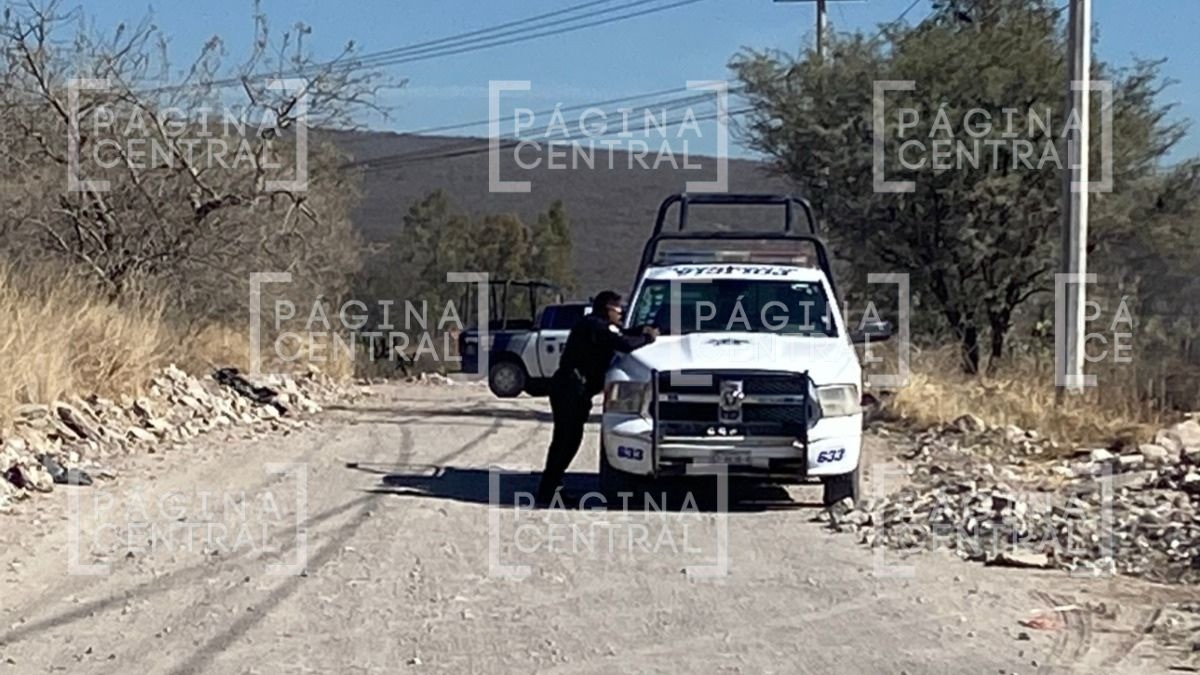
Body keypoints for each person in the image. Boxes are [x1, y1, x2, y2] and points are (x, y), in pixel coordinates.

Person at [536, 290, 658, 506]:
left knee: (567, 441)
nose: (621, 313)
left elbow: (622, 334)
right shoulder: (595, 326)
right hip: (570, 389)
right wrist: (647, 338)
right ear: (607, 309)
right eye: (618, 308)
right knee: (566, 441)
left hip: (572, 389)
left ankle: (551, 487)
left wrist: (640, 330)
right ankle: (548, 490)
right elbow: (624, 343)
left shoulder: (596, 325)